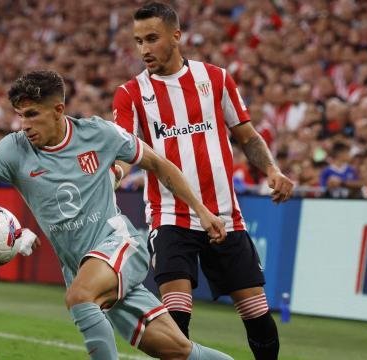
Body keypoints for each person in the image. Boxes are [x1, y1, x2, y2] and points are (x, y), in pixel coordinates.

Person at [0, 69, 232, 360]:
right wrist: (13, 234)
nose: (25, 125)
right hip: (80, 268)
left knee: (80, 297)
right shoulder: (13, 149)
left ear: (58, 109)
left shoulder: (99, 133)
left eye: (32, 114)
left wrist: (202, 212)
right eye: (21, 115)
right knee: (179, 351)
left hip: (118, 243)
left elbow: (159, 164)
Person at [112, 3, 294, 360]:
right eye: (138, 41)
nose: (144, 49)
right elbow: (122, 152)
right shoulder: (130, 94)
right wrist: (112, 176)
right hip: (170, 216)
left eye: (152, 39)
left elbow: (247, 135)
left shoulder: (216, 79)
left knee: (257, 315)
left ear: (176, 36)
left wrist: (272, 170)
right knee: (177, 317)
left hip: (225, 214)